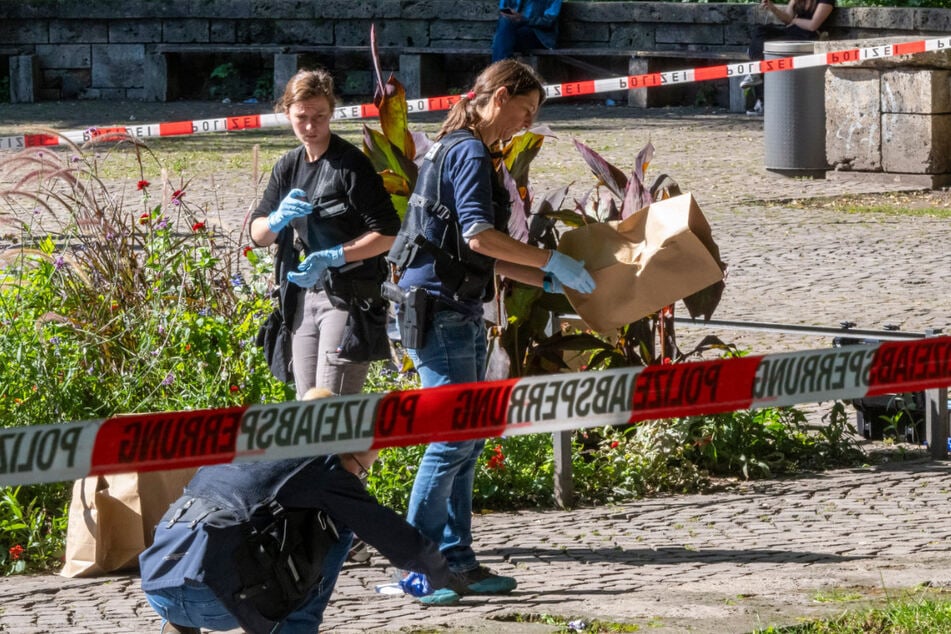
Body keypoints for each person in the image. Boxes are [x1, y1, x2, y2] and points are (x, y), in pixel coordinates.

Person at [384, 59, 596, 606]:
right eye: (523, 112)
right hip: (440, 311)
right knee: (452, 437)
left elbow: (484, 255)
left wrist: (553, 277)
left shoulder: (461, 146)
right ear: (499, 97)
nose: (523, 125)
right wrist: (551, 259)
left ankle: (457, 560)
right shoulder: (470, 151)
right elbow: (480, 236)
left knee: (468, 439)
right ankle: (420, 566)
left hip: (455, 306)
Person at [139, 387, 466, 634]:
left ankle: (179, 626)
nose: (359, 479)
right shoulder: (326, 467)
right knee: (339, 526)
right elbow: (392, 535)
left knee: (222, 533)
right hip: (215, 603)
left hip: (159, 583)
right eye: (361, 469)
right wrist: (441, 571)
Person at [249, 67, 400, 398]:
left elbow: (389, 233)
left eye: (319, 116)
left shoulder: (350, 165)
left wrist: (334, 256)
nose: (310, 126)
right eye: (301, 116)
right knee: (309, 407)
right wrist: (275, 219)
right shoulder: (288, 166)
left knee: (332, 408)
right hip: (303, 296)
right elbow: (258, 234)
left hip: (347, 296)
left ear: (332, 112)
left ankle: (349, 453)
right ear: (286, 113)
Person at [740, 0, 836, 115]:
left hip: (807, 37)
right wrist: (773, 8)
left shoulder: (826, 1)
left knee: (768, 50)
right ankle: (756, 70)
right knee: (761, 31)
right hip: (791, 31)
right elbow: (786, 19)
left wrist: (794, 20)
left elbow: (812, 25)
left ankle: (760, 94)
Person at [491, 0, 563, 62]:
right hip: (512, 32)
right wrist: (510, 16)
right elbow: (503, 9)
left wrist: (523, 19)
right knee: (505, 25)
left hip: (539, 35)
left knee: (504, 39)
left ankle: (499, 72)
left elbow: (548, 21)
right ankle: (502, 72)